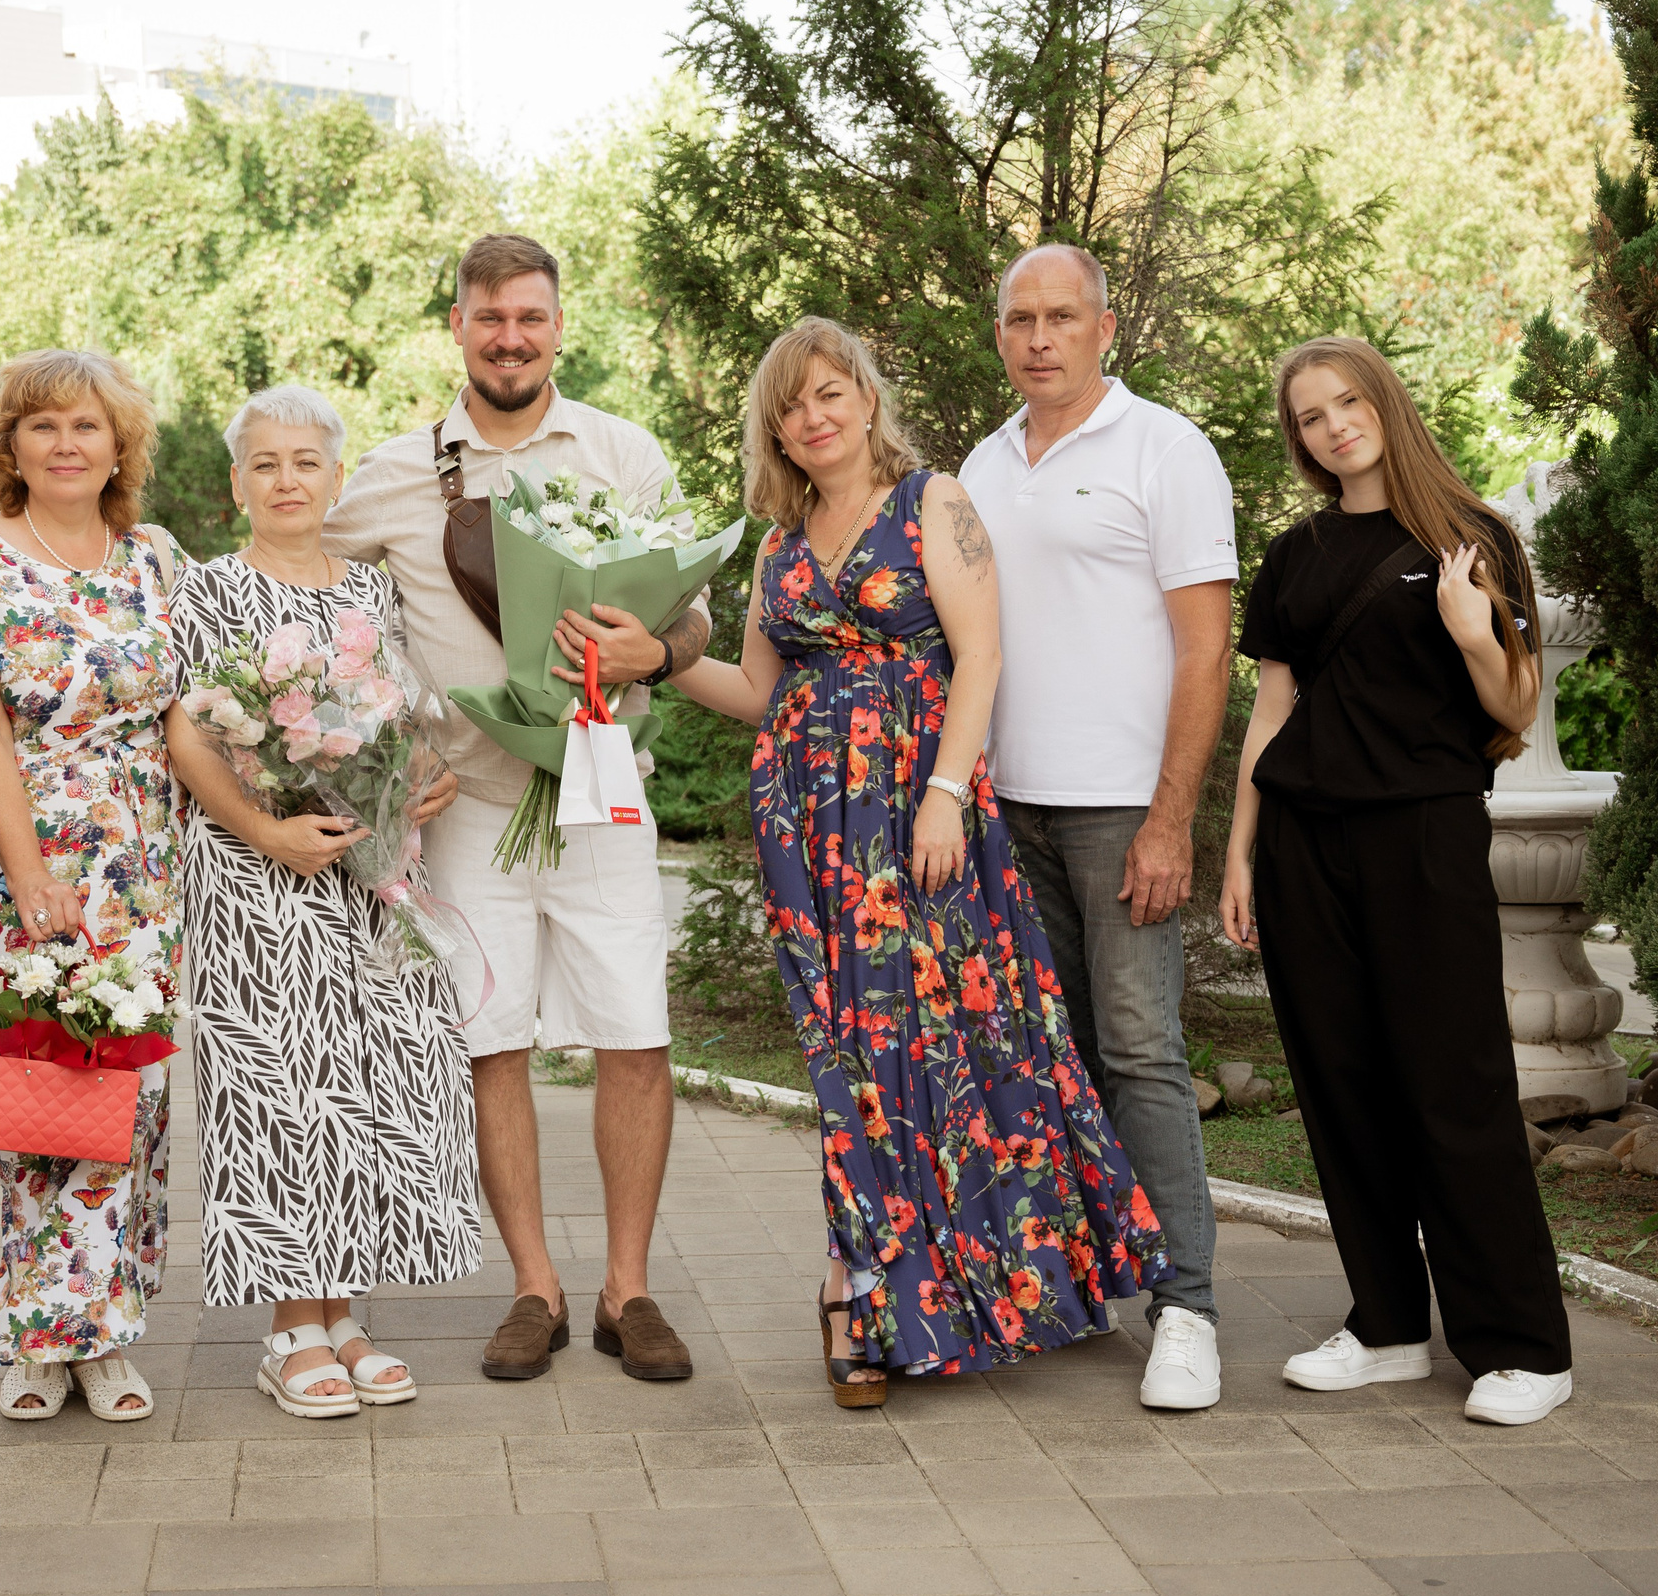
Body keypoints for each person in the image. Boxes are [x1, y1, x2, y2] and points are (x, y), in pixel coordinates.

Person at [651, 317, 1171, 1404]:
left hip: (919, 813)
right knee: (848, 1056)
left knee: (957, 1042)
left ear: (865, 396)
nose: (814, 416)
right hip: (809, 829)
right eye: (793, 405)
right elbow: (755, 692)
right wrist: (653, 659)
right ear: (776, 430)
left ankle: (974, 1284)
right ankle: (861, 1292)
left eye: (831, 392)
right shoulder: (777, 544)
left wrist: (942, 794)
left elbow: (979, 653)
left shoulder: (932, 501)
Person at [324, 234, 713, 1382]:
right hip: (463, 807)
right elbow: (318, 609)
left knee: (634, 1035)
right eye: (489, 318)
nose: (510, 337)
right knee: (493, 1048)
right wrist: (381, 757)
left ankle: (626, 1290)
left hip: (601, 795)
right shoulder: (393, 475)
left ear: (558, 324)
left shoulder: (619, 450)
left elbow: (690, 611)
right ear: (457, 325)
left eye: (529, 318)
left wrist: (660, 644)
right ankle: (534, 1287)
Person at [1220, 336, 1573, 1425]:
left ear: (1383, 403)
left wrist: (1473, 630)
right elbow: (1271, 712)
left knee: (1451, 1084)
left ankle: (1524, 1346)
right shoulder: (1294, 555)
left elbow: (1512, 709)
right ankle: (1386, 1326)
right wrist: (1238, 850)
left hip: (1421, 835)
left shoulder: (1472, 539)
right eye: (1310, 417)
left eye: (1346, 402)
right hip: (1301, 844)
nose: (1332, 425)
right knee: (1341, 1084)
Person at [163, 385, 479, 1417]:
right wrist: (266, 831)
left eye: (306, 461)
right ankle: (286, 1328)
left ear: (336, 478)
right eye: (265, 463)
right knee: (275, 1085)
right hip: (257, 880)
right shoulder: (207, 591)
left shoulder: (371, 592)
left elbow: (402, 717)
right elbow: (186, 733)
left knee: (362, 1083)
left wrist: (418, 785)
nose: (287, 479)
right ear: (237, 481)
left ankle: (341, 1313)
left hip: (368, 878)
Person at [957, 243, 1235, 1410]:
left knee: (1137, 1052)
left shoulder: (1164, 449)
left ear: (1104, 327)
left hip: (1121, 806)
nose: (1038, 338)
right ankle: (1076, 1280)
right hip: (1002, 807)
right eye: (1019, 318)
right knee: (1043, 1057)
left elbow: (1207, 647)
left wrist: (1170, 818)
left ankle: (1188, 1308)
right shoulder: (981, 463)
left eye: (1060, 316)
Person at [0, 349, 183, 1424]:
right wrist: (28, 875)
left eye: (88, 425)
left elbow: (185, 716)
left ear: (119, 446)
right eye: (43, 426)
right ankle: (43, 1335)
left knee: (134, 1090)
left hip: (144, 851)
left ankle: (108, 1329)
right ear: (9, 447)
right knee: (39, 1080)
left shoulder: (156, 559)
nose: (67, 443)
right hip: (23, 845)